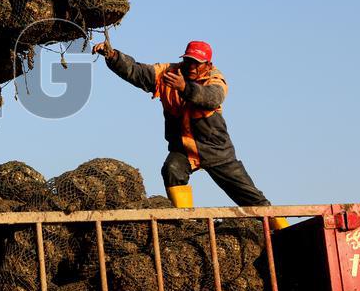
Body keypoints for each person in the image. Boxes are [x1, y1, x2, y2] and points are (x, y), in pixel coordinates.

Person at [93, 39, 287, 229]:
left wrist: (184, 88)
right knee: (172, 169)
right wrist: (112, 55)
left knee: (251, 197)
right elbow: (137, 72)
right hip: (183, 149)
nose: (192, 66)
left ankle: (284, 231)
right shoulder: (167, 73)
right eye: (189, 61)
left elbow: (212, 98)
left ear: (208, 65)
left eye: (197, 63)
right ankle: (186, 224)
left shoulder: (216, 80)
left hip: (216, 152)